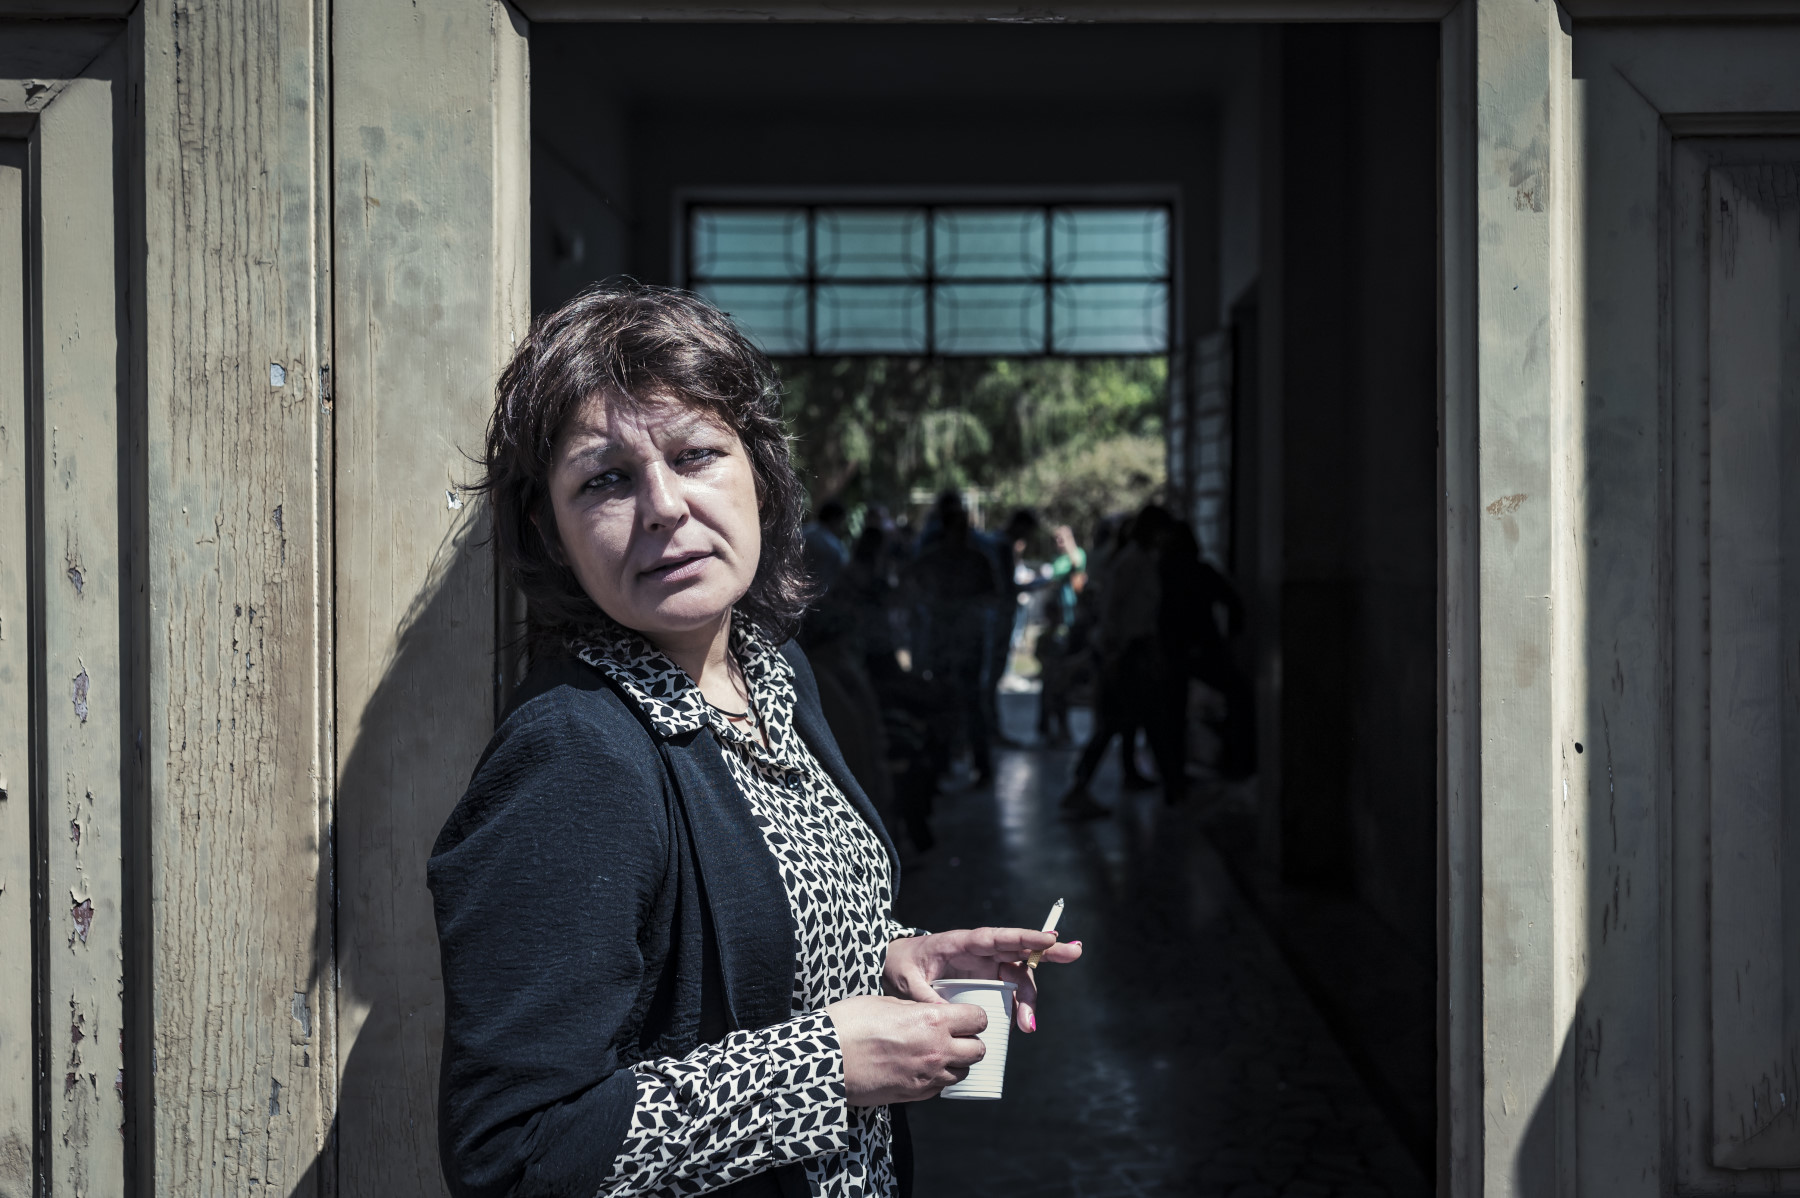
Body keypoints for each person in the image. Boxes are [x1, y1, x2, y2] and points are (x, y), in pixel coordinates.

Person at [429, 282, 1080, 1198]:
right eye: (606, 479)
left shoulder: (772, 673)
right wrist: (825, 1068)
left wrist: (895, 958)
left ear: (761, 476)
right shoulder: (575, 756)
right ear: (551, 529)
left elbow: (745, 948)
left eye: (695, 454)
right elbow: (513, 1152)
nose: (664, 506)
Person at [907, 493, 999, 785]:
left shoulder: (973, 559)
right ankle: (943, 764)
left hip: (964, 640)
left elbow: (991, 595)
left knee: (967, 702)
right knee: (946, 701)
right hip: (948, 639)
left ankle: (969, 765)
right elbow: (913, 587)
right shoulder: (938, 559)